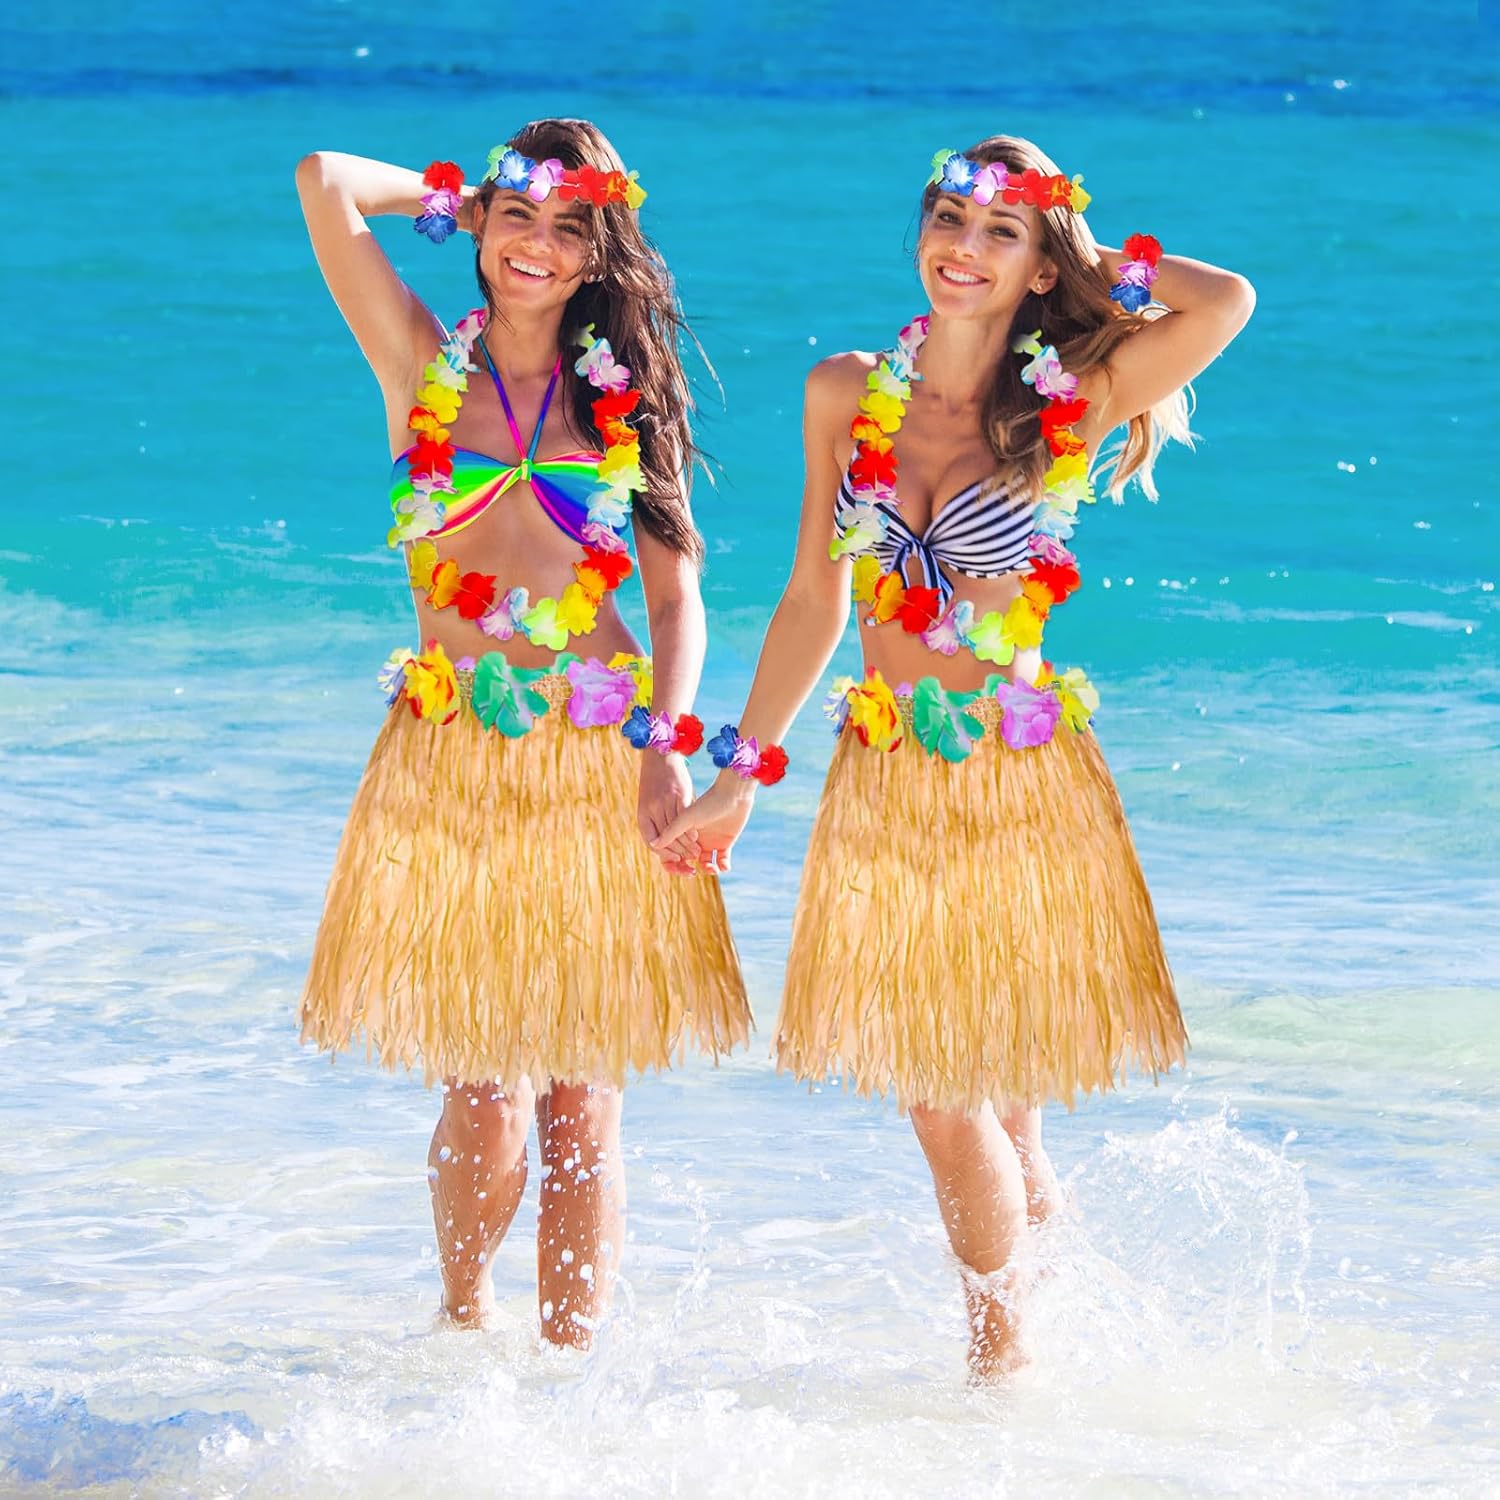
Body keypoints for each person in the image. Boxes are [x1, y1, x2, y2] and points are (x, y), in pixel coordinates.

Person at [652, 136, 1254, 1379]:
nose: (962, 248)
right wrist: (739, 776)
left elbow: (1226, 302)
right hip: (886, 777)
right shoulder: (846, 392)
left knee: (945, 1089)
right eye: (948, 220)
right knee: (996, 1112)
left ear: (1040, 266)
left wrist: (1077, 245)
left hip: (1018, 777)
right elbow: (814, 600)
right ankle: (1067, 1354)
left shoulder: (1068, 400)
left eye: (997, 233)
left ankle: (1002, 1372)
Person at [295, 118, 750, 1346]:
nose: (538, 246)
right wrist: (454, 194)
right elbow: (326, 180)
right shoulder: (416, 362)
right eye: (518, 217)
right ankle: (462, 1331)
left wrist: (663, 744)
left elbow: (676, 600)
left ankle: (569, 1381)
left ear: (601, 253)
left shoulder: (626, 403)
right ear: (482, 224)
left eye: (568, 228)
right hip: (452, 752)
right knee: (484, 1084)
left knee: (582, 1098)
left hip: (598, 751)